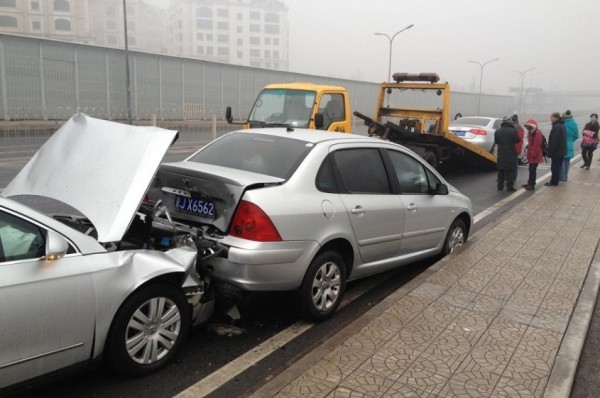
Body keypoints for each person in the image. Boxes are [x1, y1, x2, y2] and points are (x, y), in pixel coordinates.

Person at [494, 117, 521, 191]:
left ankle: (500, 186)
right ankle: (510, 187)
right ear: (510, 122)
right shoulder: (513, 131)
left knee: (501, 170)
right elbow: (517, 140)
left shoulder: (498, 131)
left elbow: (496, 141)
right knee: (511, 170)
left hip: (501, 153)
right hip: (511, 152)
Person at [521, 119, 544, 190]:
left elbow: (537, 144)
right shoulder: (531, 132)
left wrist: (533, 154)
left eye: (529, 126)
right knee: (531, 169)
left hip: (535, 154)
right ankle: (530, 182)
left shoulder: (537, 132)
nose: (528, 128)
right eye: (527, 126)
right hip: (531, 154)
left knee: (532, 170)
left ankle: (532, 184)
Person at [545, 112, 567, 186]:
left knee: (555, 167)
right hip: (561, 151)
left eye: (551, 117)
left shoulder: (556, 127)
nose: (550, 119)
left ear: (555, 117)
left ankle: (554, 182)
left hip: (557, 152)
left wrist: (550, 152)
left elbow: (554, 141)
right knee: (558, 167)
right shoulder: (562, 125)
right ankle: (556, 180)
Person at [561, 110, 579, 181]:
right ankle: (565, 176)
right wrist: (571, 141)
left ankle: (562, 177)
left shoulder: (563, 124)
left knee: (562, 161)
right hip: (570, 144)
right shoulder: (574, 124)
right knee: (567, 162)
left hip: (563, 145)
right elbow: (576, 136)